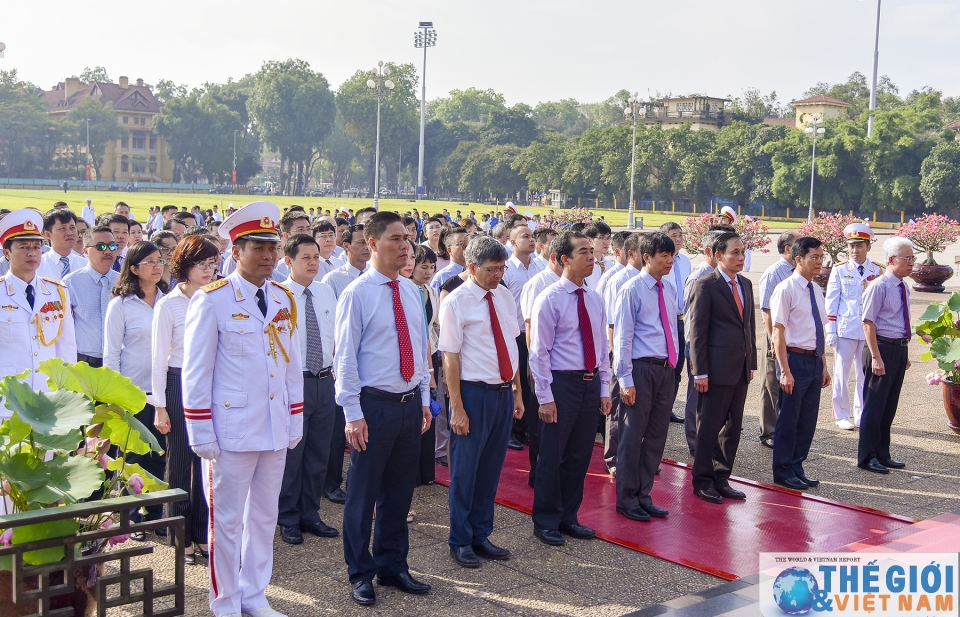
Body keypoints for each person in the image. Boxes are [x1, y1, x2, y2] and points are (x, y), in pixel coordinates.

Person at [182, 202, 303, 617]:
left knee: (264, 517)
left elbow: (291, 366)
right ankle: (226, 601)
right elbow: (196, 372)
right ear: (236, 252)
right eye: (258, 248)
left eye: (273, 247)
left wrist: (295, 417)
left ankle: (254, 594)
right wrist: (200, 432)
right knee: (227, 522)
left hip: (274, 425)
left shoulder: (283, 298)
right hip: (230, 430)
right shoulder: (213, 300)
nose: (269, 256)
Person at [335, 212, 433, 606]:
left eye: (407, 238)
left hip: (408, 405)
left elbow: (420, 350)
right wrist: (352, 413)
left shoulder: (410, 290)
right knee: (362, 495)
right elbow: (345, 358)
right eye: (395, 238)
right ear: (373, 243)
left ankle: (393, 565)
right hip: (373, 406)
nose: (405, 246)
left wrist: (423, 401)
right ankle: (361, 572)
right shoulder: (357, 294)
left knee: (399, 493)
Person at [440, 236, 523, 568]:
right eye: (492, 269)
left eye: (502, 268)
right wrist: (457, 407)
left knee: (490, 469)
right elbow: (450, 357)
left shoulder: (503, 295)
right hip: (473, 393)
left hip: (502, 393)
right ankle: (460, 539)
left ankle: (480, 533)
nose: (498, 275)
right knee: (465, 471)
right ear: (472, 267)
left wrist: (517, 391)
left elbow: (511, 345)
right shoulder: (456, 301)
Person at [530, 231, 612, 545]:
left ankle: (569, 516)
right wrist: (545, 397)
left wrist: (604, 387)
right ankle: (546, 521)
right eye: (583, 252)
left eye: (592, 251)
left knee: (579, 455)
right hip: (561, 383)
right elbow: (539, 352)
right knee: (552, 455)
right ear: (564, 259)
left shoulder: (594, 298)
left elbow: (602, 347)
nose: (591, 257)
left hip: (589, 383)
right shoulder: (549, 298)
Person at [151, 235, 215, 564]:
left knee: (207, 460)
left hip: (211, 384)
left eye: (212, 263)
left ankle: (202, 532)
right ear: (184, 266)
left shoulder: (216, 298)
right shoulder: (169, 304)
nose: (208, 270)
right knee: (179, 464)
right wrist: (160, 406)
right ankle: (180, 536)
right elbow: (158, 359)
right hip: (177, 383)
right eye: (200, 264)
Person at [278, 234, 340, 544]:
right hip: (294, 382)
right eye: (306, 258)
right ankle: (287, 516)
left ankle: (310, 513)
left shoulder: (325, 291)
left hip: (324, 380)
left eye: (316, 257)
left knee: (319, 452)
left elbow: (335, 337)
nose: (313, 263)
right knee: (293, 453)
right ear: (289, 261)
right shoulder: (278, 295)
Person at [687, 232, 756, 503]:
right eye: (734, 252)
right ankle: (703, 480)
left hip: (740, 368)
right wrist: (700, 371)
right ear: (718, 255)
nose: (740, 257)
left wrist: (751, 362)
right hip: (715, 370)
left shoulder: (745, 284)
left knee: (733, 427)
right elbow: (697, 332)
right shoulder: (706, 285)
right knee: (709, 427)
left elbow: (748, 326)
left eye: (743, 252)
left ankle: (722, 477)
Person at [104, 241, 168, 533]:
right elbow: (111, 354)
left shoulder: (169, 300)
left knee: (158, 455)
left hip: (163, 392)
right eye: (149, 262)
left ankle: (155, 514)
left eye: (159, 261)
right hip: (133, 392)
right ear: (133, 268)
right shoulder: (121, 305)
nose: (157, 266)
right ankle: (132, 516)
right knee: (132, 457)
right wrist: (115, 396)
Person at [613, 232, 677, 522]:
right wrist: (625, 380)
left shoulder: (669, 288)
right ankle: (626, 498)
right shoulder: (632, 289)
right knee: (632, 436)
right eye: (664, 255)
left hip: (665, 370)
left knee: (655, 436)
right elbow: (623, 337)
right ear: (646, 257)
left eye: (672, 255)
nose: (669, 261)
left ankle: (643, 494)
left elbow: (671, 329)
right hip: (640, 369)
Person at [0, 209, 77, 420]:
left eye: (36, 247)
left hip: (47, 398)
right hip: (8, 400)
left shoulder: (57, 291)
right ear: (7, 253)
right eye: (23, 247)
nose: (32, 253)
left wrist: (66, 395)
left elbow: (66, 348)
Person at [769, 236, 831, 490]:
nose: (819, 262)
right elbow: (778, 333)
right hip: (793, 360)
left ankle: (797, 465)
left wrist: (824, 365)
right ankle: (783, 470)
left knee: (807, 420)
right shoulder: (786, 289)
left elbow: (818, 330)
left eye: (821, 257)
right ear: (798, 259)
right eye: (814, 257)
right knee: (789, 419)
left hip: (814, 360)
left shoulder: (815, 289)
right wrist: (784, 370)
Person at [319, 225, 370, 505]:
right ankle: (330, 483)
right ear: (346, 246)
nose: (366, 248)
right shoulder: (334, 280)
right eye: (360, 242)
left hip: (370, 366)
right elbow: (330, 325)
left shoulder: (376, 278)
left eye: (368, 242)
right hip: (343, 361)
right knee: (340, 427)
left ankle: (359, 481)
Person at [857, 237, 914, 474]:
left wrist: (903, 352)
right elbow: (868, 323)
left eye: (913, 258)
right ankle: (867, 456)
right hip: (880, 347)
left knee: (889, 405)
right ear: (891, 260)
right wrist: (876, 356)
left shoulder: (903, 286)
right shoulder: (879, 286)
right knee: (875, 406)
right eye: (907, 258)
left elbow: (899, 319)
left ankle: (882, 453)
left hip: (898, 348)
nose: (912, 263)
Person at [826, 224, 884, 430]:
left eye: (859, 245)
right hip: (846, 328)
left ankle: (861, 413)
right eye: (851, 246)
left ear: (868, 247)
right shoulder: (840, 269)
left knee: (864, 374)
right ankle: (841, 414)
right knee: (841, 374)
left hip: (868, 331)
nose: (855, 250)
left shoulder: (879, 270)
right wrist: (831, 329)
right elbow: (832, 301)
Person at [518, 242, 563, 487]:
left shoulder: (578, 284)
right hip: (541, 360)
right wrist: (534, 367)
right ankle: (538, 473)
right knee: (539, 422)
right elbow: (530, 327)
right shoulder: (538, 283)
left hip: (564, 367)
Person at [682, 229, 722, 456]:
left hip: (717, 348)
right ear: (710, 251)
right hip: (699, 347)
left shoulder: (723, 276)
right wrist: (694, 350)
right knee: (696, 396)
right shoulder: (699, 277)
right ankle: (695, 441)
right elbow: (691, 319)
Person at [502, 224, 542, 452]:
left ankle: (526, 427)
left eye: (532, 236)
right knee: (513, 383)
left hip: (535, 334)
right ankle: (511, 429)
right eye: (525, 236)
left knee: (530, 383)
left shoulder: (538, 267)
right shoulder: (506, 269)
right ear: (513, 242)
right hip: (514, 334)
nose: (531, 239)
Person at [757, 231, 797, 448]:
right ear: (788, 248)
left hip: (794, 336)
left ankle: (784, 429)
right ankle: (769, 432)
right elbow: (767, 311)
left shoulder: (798, 272)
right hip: (775, 335)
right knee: (771, 384)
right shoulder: (774, 273)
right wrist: (773, 339)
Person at [63, 225, 119, 367]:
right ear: (85, 251)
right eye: (100, 247)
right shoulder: (71, 282)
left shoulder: (124, 282)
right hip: (85, 362)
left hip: (119, 361)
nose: (107, 251)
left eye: (112, 246)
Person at [408, 244, 439, 487]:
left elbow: (434, 326)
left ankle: (426, 471)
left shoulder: (431, 290)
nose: (428, 272)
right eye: (423, 266)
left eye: (432, 267)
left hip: (433, 352)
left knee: (429, 410)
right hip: (417, 357)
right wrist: (429, 370)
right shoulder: (409, 290)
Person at [660, 222, 691, 423]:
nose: (678, 239)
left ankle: (668, 409)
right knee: (664, 368)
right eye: (674, 235)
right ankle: (658, 409)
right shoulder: (662, 262)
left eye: (680, 235)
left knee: (678, 369)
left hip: (683, 321)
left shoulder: (685, 261)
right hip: (666, 322)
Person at [39, 208, 86, 281]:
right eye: (62, 228)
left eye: (72, 228)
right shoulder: (38, 266)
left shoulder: (86, 265)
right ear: (48, 234)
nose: (69, 233)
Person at [430, 226, 467, 294]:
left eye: (467, 243)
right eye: (461, 243)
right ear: (449, 250)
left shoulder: (475, 273)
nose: (466, 247)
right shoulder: (441, 277)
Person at [582, 221, 612, 288]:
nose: (606, 242)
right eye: (601, 237)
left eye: (608, 238)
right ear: (589, 240)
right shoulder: (583, 266)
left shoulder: (610, 265)